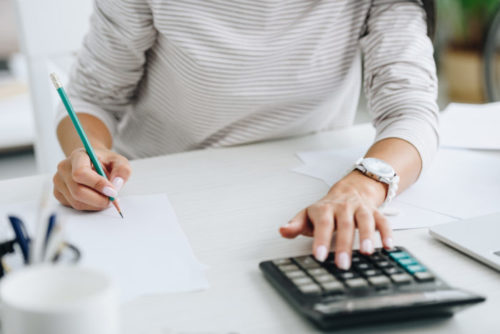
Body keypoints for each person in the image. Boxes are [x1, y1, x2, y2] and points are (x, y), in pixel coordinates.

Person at [53, 1, 439, 270]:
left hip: (298, 190)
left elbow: (411, 110)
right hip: (160, 197)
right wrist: (89, 153)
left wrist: (364, 186)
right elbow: (91, 97)